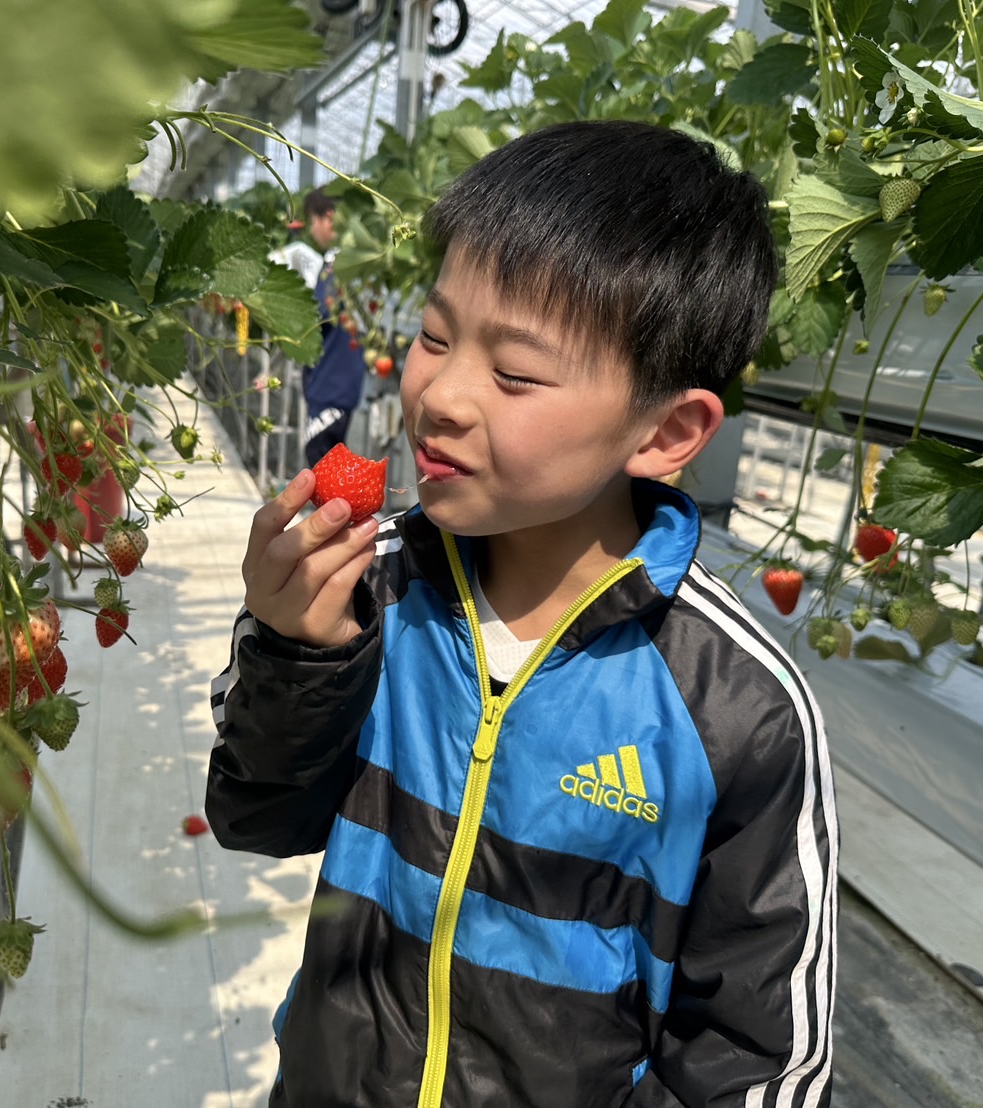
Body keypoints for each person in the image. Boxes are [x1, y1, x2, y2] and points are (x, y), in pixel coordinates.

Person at [207, 122, 837, 1108]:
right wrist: (296, 648)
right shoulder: (378, 595)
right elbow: (256, 820)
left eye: (514, 373)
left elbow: (757, 1059)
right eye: (433, 335)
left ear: (666, 431)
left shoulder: (735, 709)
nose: (440, 395)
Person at [290, 187, 365, 467]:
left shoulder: (336, 265)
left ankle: (335, 513)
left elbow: (319, 315)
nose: (312, 230)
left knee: (321, 460)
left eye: (313, 221)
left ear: (329, 218)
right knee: (330, 464)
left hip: (331, 384)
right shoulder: (355, 262)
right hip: (342, 383)